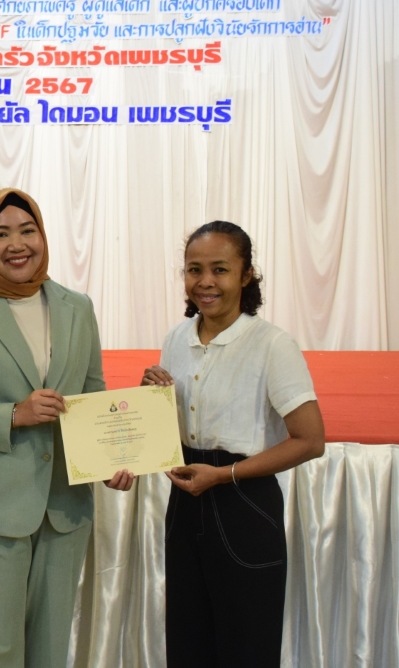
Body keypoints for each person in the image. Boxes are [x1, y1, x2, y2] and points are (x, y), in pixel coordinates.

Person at [0, 188, 136, 668]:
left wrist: (109, 460)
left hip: (64, 508)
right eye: (1, 234)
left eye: (27, 230)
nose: (17, 245)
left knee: (50, 652)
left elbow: (91, 397)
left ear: (43, 235)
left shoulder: (77, 306)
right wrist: (13, 414)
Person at [141, 220, 326, 668]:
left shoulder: (272, 345)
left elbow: (311, 440)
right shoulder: (176, 339)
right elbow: (172, 429)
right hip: (185, 505)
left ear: (246, 275)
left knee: (247, 647)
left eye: (220, 269)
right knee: (187, 643)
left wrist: (223, 475)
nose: (205, 282)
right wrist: (150, 401)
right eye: (194, 269)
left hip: (245, 504)